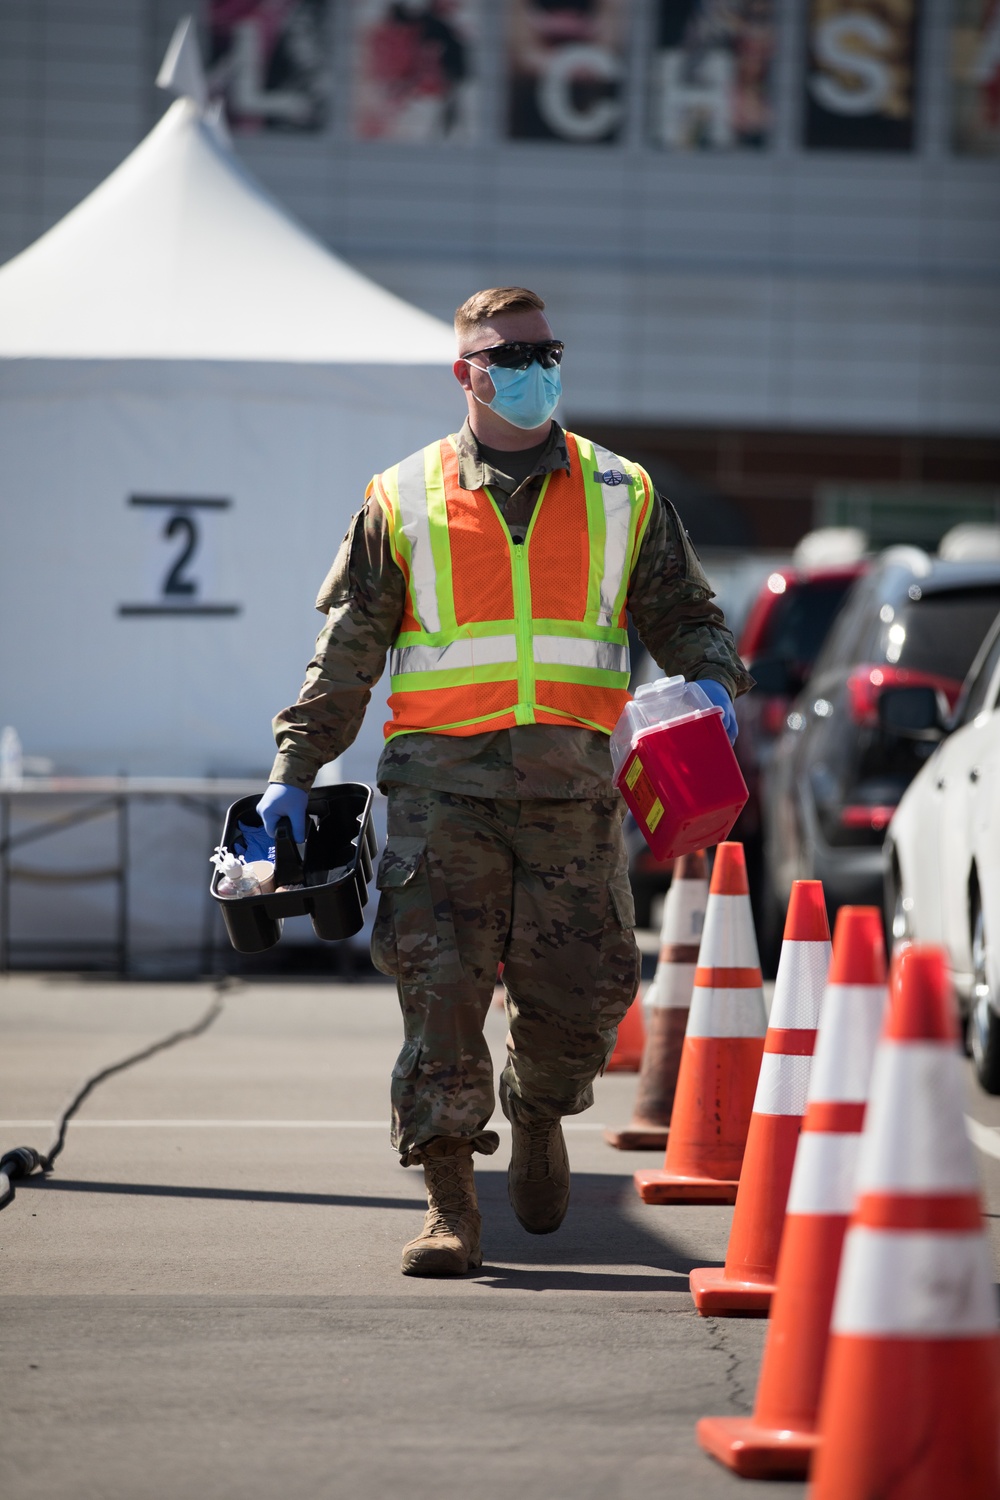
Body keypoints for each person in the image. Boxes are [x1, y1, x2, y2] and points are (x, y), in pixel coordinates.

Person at [257, 286, 751, 1278]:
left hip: (574, 793)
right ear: (465, 371)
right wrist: (292, 773)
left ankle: (539, 1107)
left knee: (584, 995)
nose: (530, 368)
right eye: (507, 354)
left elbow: (684, 615)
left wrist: (711, 680)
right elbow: (345, 655)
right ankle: (449, 1205)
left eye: (544, 350)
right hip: (442, 793)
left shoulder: (623, 492)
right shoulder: (401, 495)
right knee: (440, 994)